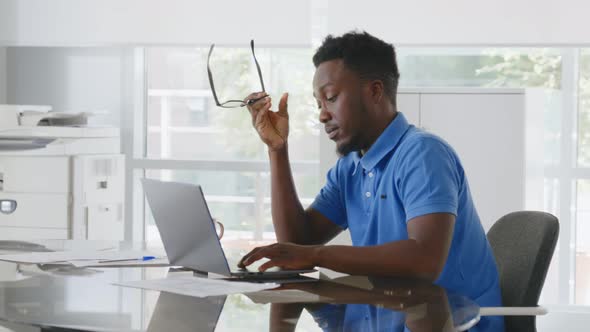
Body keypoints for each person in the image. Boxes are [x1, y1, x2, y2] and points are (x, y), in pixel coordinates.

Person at [238, 31, 503, 316]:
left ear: (375, 91)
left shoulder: (423, 154)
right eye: (319, 104)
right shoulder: (349, 168)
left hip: (448, 323)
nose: (322, 115)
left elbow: (424, 260)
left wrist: (315, 256)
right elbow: (298, 245)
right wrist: (277, 149)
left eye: (330, 98)